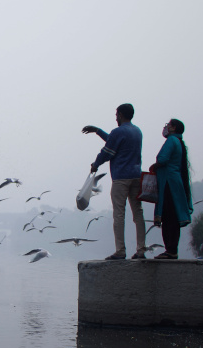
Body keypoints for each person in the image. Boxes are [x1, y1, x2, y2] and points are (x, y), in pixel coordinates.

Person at [82, 103, 146, 259]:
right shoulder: (137, 132)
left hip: (121, 178)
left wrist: (95, 165)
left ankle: (120, 251)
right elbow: (114, 140)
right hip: (136, 176)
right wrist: (97, 131)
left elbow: (108, 151)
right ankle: (141, 250)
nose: (115, 117)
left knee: (119, 214)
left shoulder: (119, 132)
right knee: (138, 214)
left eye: (116, 114)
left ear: (121, 115)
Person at [148, 119, 193, 259]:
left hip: (168, 183)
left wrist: (155, 166)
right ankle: (172, 249)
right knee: (172, 217)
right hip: (174, 182)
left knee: (168, 217)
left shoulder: (171, 141)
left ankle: (171, 250)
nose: (166, 127)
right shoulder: (179, 143)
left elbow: (162, 159)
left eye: (168, 125)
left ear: (173, 128)